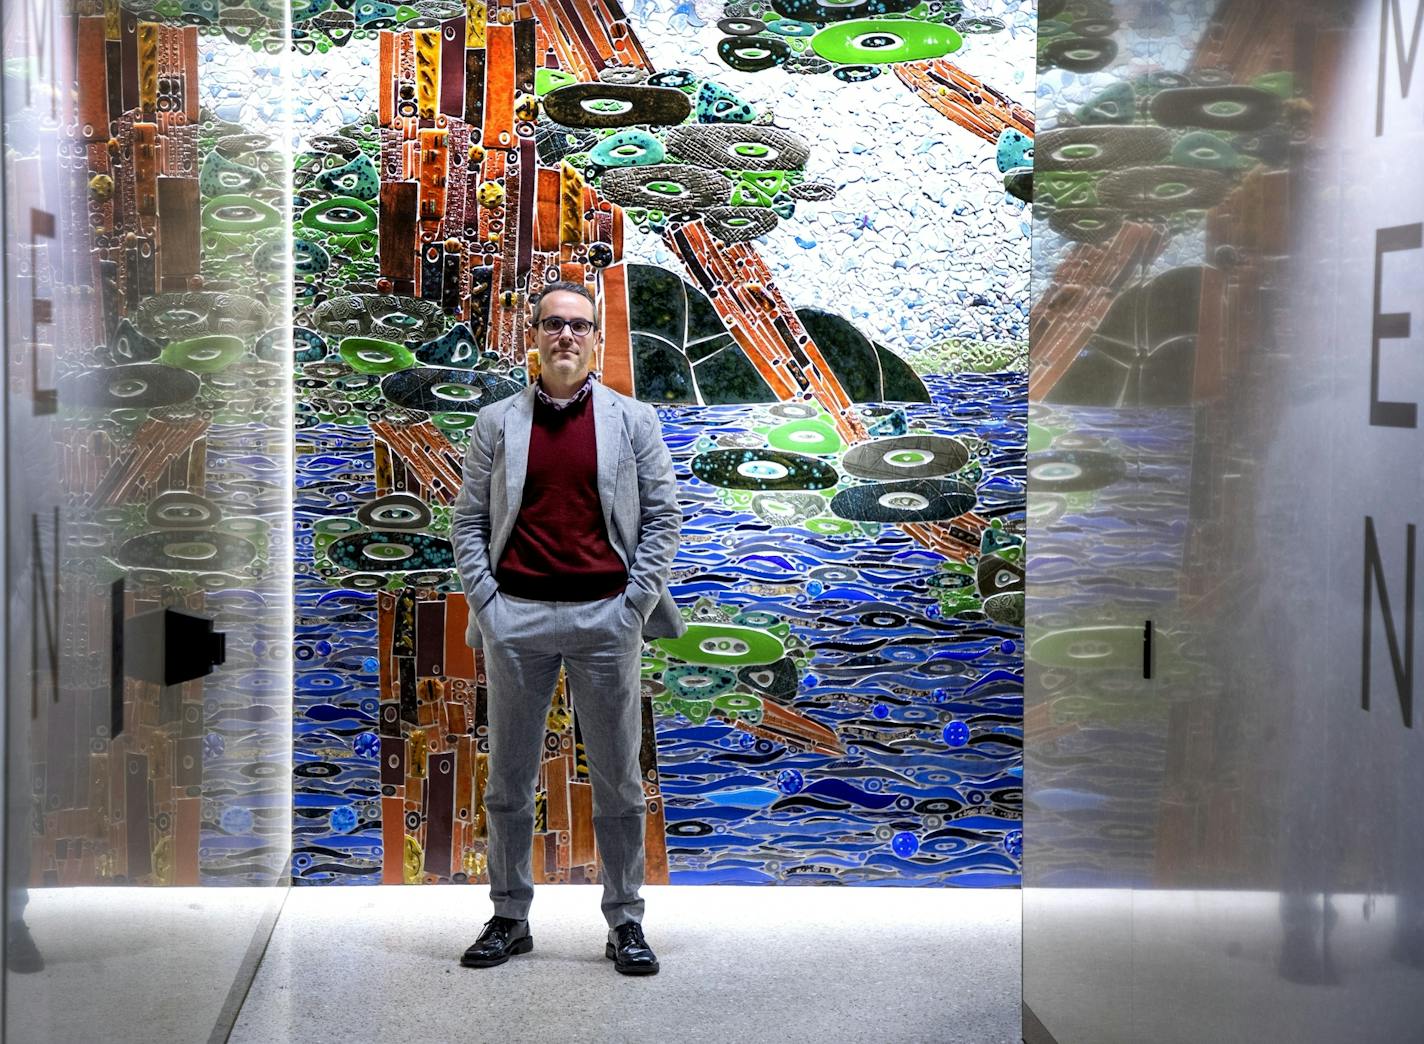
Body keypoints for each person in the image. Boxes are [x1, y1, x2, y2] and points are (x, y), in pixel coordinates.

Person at [449, 281, 685, 976]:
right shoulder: (496, 422)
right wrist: (488, 603)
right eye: (553, 324)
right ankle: (509, 917)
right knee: (509, 782)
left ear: (596, 340)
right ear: (535, 335)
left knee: (618, 781)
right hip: (514, 617)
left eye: (579, 326)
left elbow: (663, 519)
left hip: (607, 620)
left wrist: (634, 605)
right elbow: (467, 520)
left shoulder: (633, 421)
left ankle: (626, 923)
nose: (565, 337)